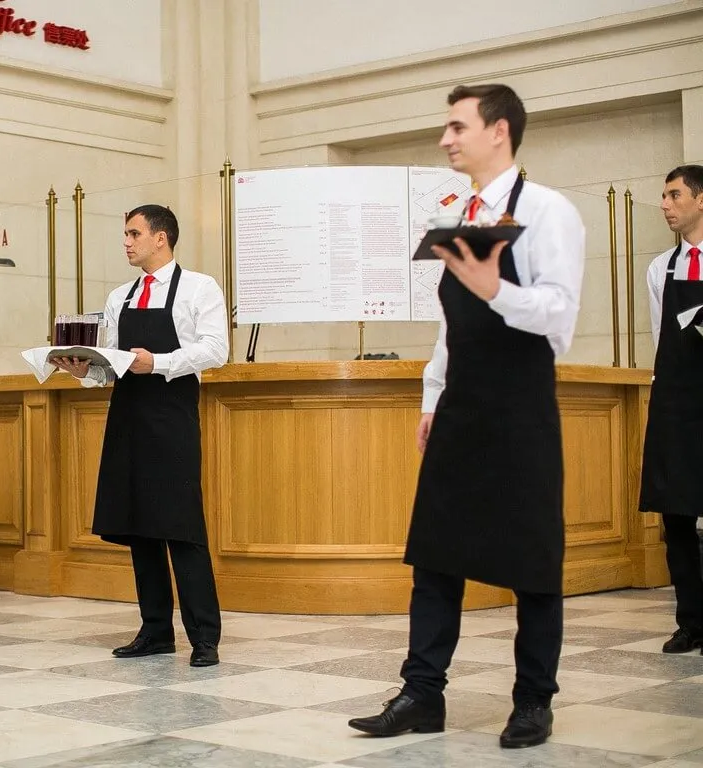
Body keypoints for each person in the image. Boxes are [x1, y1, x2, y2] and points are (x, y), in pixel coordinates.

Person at [348, 84, 585, 748]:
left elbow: (561, 318)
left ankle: (533, 701)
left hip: (521, 407)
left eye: (457, 126)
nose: (445, 139)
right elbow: (450, 327)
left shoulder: (549, 210)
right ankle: (421, 693)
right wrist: (432, 398)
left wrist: (494, 288)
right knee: (435, 555)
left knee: (534, 558)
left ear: (499, 130)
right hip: (460, 409)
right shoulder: (459, 213)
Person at [55, 205, 228, 667]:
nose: (126, 242)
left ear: (161, 238)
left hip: (173, 419)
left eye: (134, 234)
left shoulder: (200, 288)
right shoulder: (120, 297)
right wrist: (84, 371)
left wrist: (159, 362)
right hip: (128, 418)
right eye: (125, 234)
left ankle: (204, 638)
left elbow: (216, 350)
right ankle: (155, 632)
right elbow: (112, 366)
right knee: (141, 527)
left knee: (182, 527)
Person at [639, 164, 703, 656]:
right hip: (676, 404)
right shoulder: (659, 269)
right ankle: (691, 623)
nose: (665, 204)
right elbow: (662, 337)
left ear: (701, 200)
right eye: (663, 196)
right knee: (676, 516)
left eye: (674, 195)